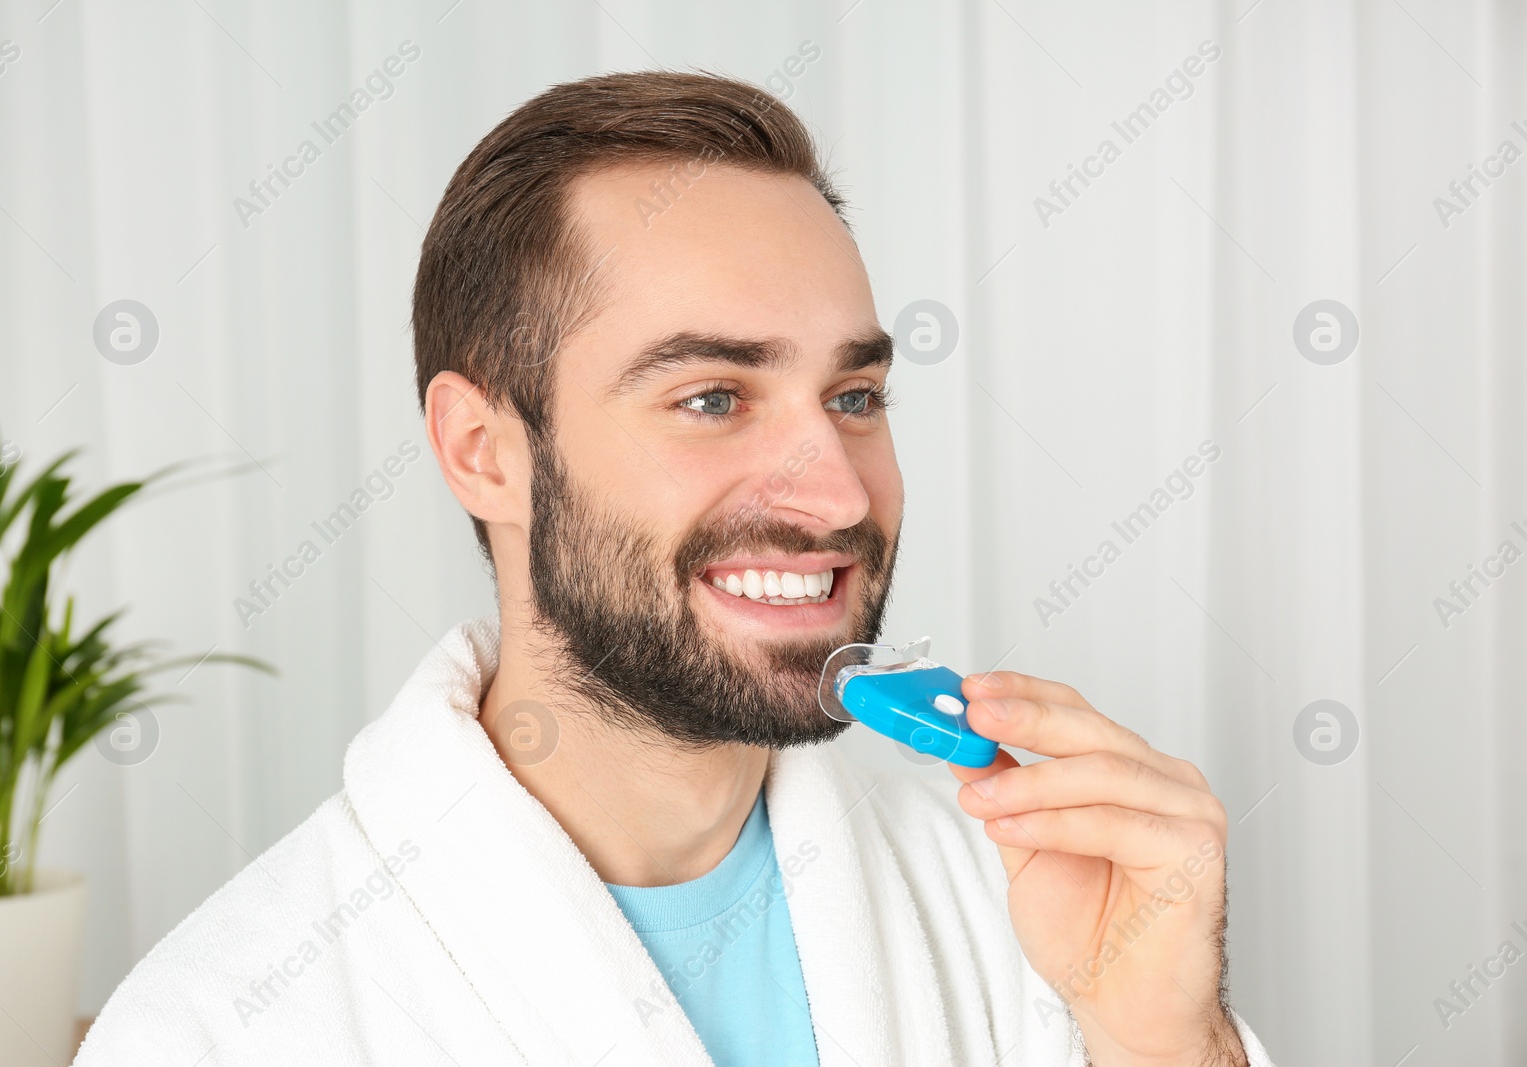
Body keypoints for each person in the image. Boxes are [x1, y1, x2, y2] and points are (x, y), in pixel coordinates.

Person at [77, 71, 1274, 1066]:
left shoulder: (1014, 896)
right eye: (711, 396)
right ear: (485, 452)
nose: (839, 491)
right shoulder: (221, 1023)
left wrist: (1165, 1038)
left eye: (853, 395)